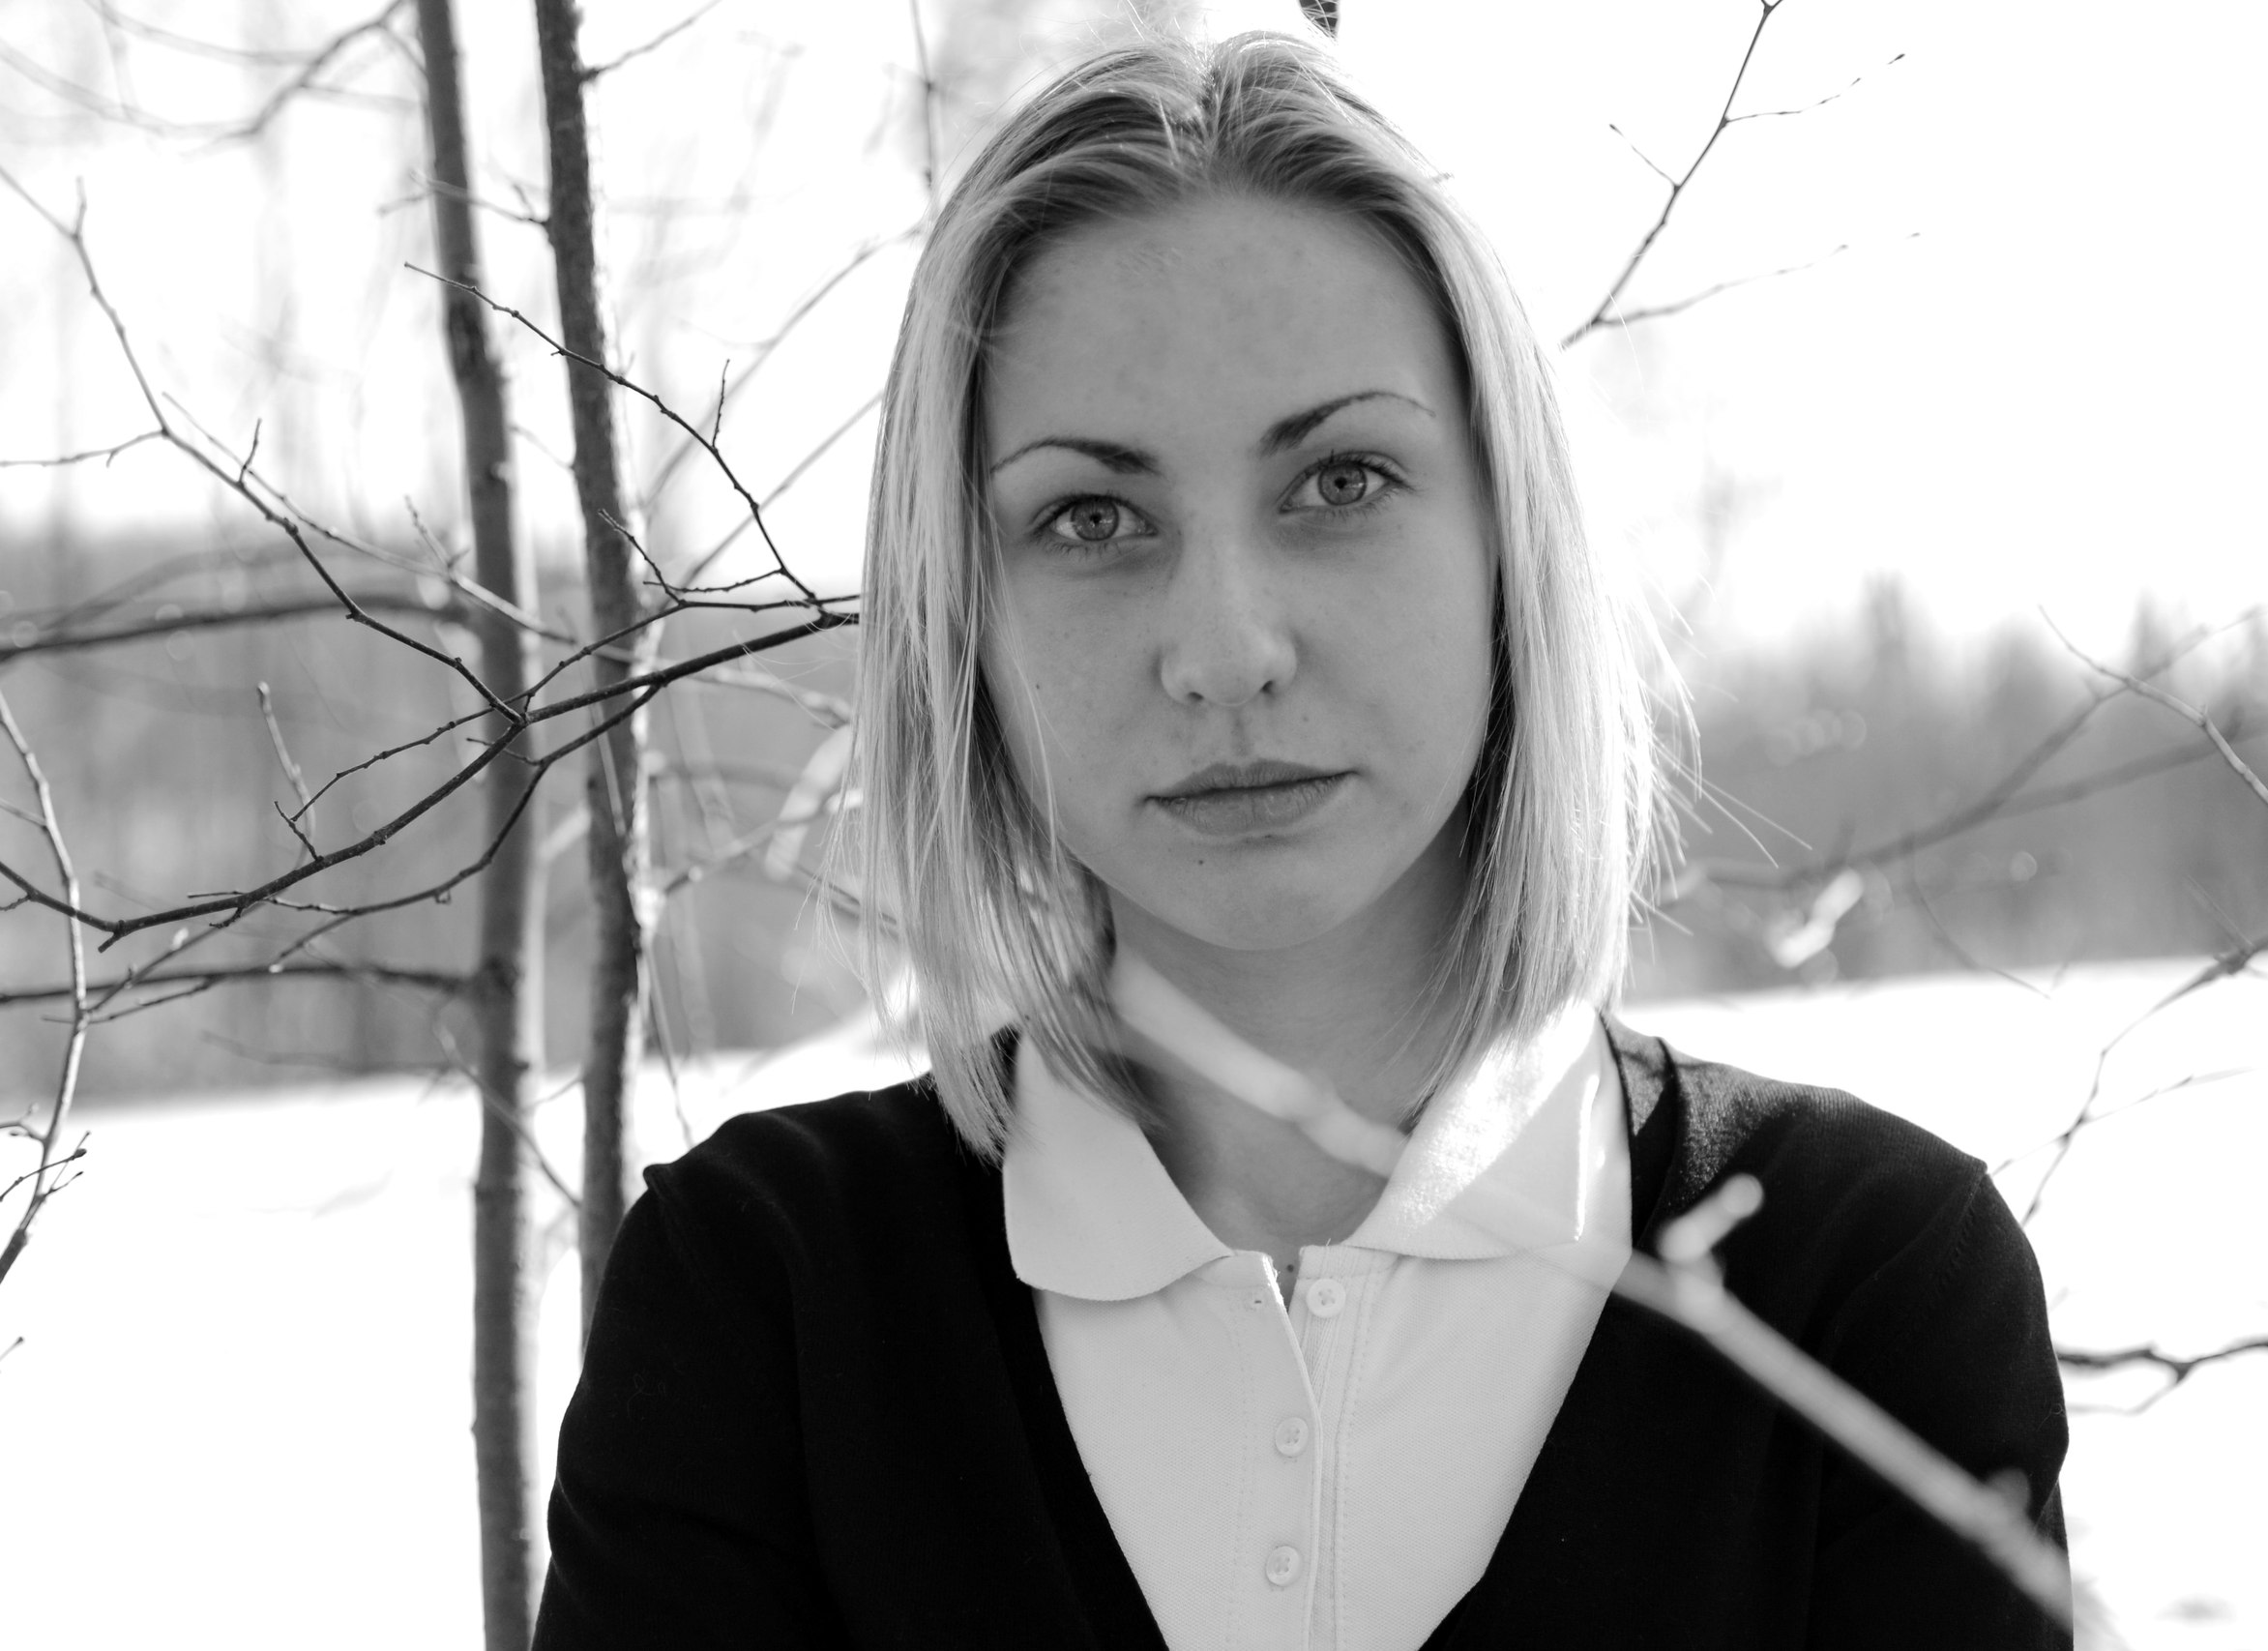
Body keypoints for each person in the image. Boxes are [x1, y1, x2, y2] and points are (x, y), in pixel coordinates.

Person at [533, 30, 2069, 1651]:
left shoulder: (1862, 1287)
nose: (1226, 651)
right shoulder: (765, 1301)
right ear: (960, 614)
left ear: (1510, 543)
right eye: (1092, 519)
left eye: (1341, 482)